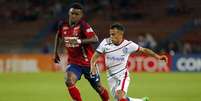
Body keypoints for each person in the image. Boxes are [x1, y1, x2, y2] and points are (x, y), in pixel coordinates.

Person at [90, 23, 168, 101]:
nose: (111, 36)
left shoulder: (128, 45)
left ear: (121, 34)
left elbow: (144, 50)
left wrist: (158, 57)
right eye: (110, 34)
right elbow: (95, 56)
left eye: (113, 34)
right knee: (119, 99)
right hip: (110, 77)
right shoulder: (105, 42)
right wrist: (92, 65)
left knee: (120, 96)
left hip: (122, 75)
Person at [53, 3, 109, 101]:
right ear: (69, 13)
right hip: (74, 63)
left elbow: (95, 39)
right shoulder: (63, 24)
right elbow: (58, 35)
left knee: (98, 87)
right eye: (72, 13)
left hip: (88, 63)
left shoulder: (83, 25)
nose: (74, 16)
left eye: (77, 14)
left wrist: (79, 41)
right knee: (69, 81)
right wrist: (55, 52)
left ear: (81, 15)